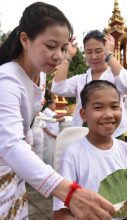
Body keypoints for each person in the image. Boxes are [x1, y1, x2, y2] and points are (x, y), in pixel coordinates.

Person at [0, 2, 114, 219]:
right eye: (50, 46)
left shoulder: (41, 75)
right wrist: (69, 193)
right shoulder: (6, 79)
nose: (59, 56)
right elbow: (11, 144)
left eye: (63, 49)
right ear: (25, 40)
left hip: (16, 173)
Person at [53, 80, 127, 219]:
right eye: (98, 108)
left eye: (114, 107)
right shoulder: (73, 154)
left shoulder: (126, 150)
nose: (108, 114)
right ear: (83, 114)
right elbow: (60, 214)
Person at [51, 29, 127, 138]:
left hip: (113, 132)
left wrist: (109, 55)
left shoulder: (115, 75)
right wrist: (67, 57)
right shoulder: (80, 79)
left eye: (99, 51)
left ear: (106, 49)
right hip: (84, 133)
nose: (93, 57)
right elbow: (58, 88)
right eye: (89, 52)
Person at [43, 100, 65, 166]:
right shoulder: (47, 111)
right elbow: (55, 117)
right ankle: (47, 165)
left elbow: (55, 120)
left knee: (53, 152)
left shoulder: (51, 112)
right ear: (50, 105)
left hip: (54, 135)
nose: (55, 106)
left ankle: (51, 165)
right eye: (54, 104)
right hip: (49, 135)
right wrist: (67, 113)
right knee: (49, 152)